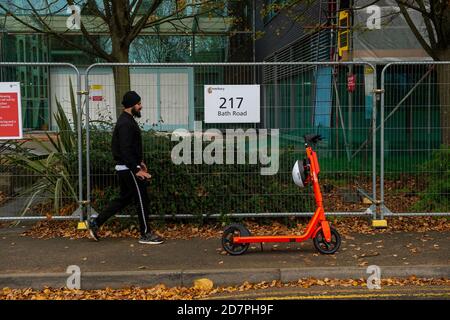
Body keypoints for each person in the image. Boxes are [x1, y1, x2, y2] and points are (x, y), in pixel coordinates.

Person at [88, 91, 164, 245]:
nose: (140, 107)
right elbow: (125, 149)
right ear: (131, 105)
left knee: (124, 199)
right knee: (142, 199)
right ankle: (145, 234)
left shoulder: (127, 120)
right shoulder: (125, 123)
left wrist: (140, 161)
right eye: (138, 104)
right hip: (128, 169)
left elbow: (131, 146)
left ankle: (96, 223)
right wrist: (137, 169)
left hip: (127, 167)